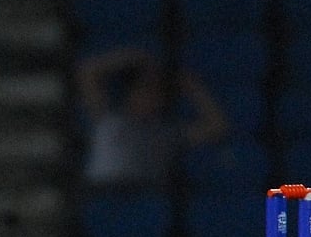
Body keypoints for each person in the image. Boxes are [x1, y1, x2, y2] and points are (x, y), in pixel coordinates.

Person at [75, 47, 227, 187]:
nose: (150, 99)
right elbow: (87, 71)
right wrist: (134, 57)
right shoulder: (107, 119)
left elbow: (218, 127)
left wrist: (190, 86)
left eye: (157, 94)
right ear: (131, 94)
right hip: (101, 198)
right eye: (145, 91)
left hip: (144, 204)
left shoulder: (166, 133)